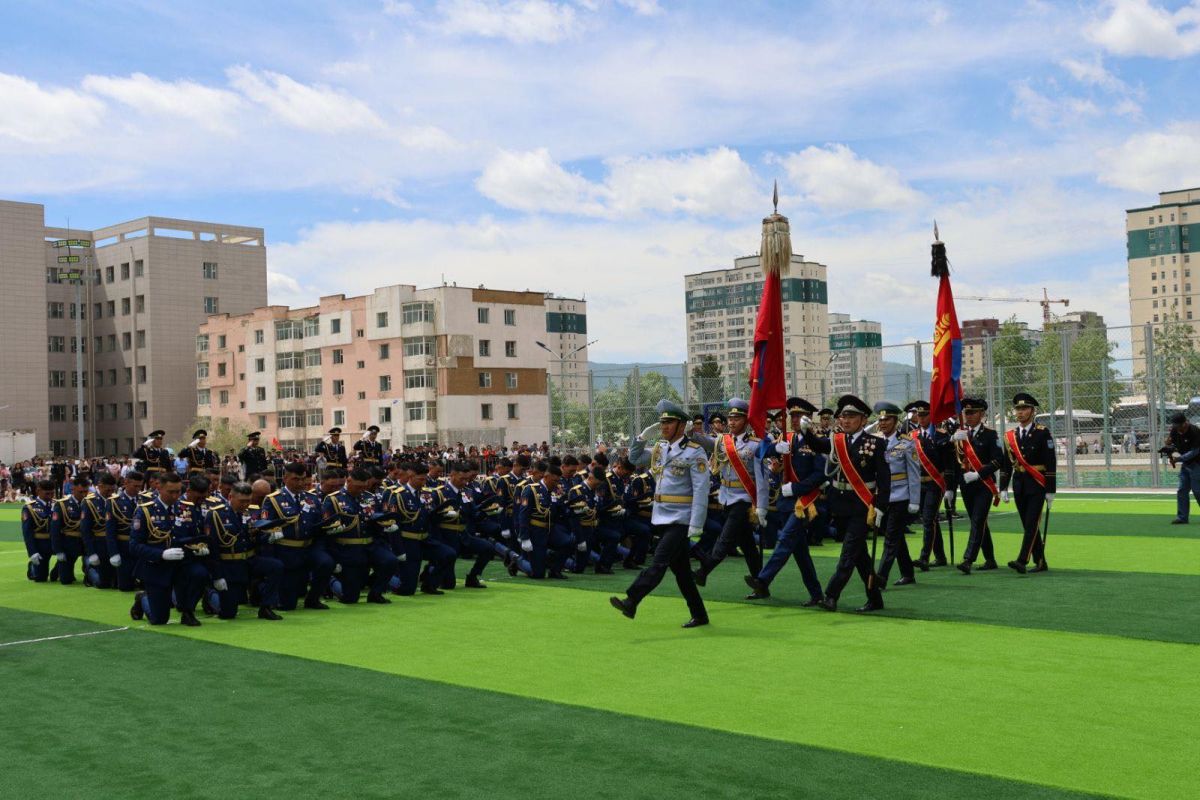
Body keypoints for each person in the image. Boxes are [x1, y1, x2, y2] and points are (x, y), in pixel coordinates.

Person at [609, 400, 710, 628]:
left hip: (681, 518)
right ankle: (700, 614)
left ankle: (632, 599)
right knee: (682, 571)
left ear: (681, 425)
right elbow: (635, 459)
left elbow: (701, 489)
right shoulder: (660, 449)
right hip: (662, 516)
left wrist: (696, 522)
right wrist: (642, 437)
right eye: (662, 422)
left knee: (659, 561)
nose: (664, 426)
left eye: (669, 422)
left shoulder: (695, 452)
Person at [800, 394, 888, 612]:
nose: (846, 421)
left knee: (848, 553)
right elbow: (819, 445)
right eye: (843, 417)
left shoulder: (875, 443)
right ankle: (875, 598)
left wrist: (880, 506)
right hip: (839, 504)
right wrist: (805, 432)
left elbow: (884, 479)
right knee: (860, 556)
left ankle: (831, 595)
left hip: (862, 505)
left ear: (863, 420)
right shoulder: (836, 440)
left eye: (851, 417)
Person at [745, 397, 826, 605]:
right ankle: (817, 594)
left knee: (785, 540)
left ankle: (763, 580)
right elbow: (763, 452)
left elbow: (820, 475)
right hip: (785, 502)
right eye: (794, 415)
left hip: (804, 503)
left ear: (809, 418)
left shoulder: (816, 442)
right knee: (800, 553)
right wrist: (775, 449)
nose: (796, 419)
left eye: (800, 416)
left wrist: (796, 488)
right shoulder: (786, 438)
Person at [692, 398, 768, 587]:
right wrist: (690, 432)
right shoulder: (723, 441)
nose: (732, 422)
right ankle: (761, 583)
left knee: (725, 539)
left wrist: (762, 506)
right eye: (730, 418)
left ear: (746, 421)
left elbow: (762, 478)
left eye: (737, 418)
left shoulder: (755, 445)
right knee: (748, 545)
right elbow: (707, 442)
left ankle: (704, 571)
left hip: (743, 498)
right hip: (726, 497)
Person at [129, 472, 209, 626]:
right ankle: (143, 599)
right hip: (158, 566)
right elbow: (134, 546)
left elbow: (195, 536)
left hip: (182, 563)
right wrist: (161, 554)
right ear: (159, 488)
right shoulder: (146, 511)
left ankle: (188, 611)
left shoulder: (186, 509)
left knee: (200, 574)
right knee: (159, 619)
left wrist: (200, 547)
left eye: (178, 491)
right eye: (171, 492)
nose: (175, 496)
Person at [258, 463, 334, 610]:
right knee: (288, 605)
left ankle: (313, 599)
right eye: (296, 479)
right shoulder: (273, 499)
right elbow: (265, 528)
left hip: (309, 548)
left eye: (303, 479)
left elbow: (319, 525)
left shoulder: (312, 498)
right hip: (287, 551)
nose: (300, 483)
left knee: (326, 562)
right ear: (285, 478)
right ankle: (265, 591)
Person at [205, 481, 284, 620]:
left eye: (248, 501)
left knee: (276, 566)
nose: (245, 505)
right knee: (229, 614)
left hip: (249, 560)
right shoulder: (216, 515)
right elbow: (213, 548)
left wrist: (269, 537)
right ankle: (209, 593)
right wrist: (217, 576)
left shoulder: (252, 512)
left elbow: (255, 537)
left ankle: (266, 607)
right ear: (231, 497)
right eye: (242, 501)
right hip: (230, 564)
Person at [999, 393, 1057, 574]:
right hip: (1019, 484)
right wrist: (1003, 487)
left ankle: (1022, 560)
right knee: (1027, 524)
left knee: (1032, 523)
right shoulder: (1011, 436)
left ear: (1033, 411)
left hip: (1037, 484)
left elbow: (1050, 461)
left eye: (1024, 409)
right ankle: (1040, 562)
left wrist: (1050, 490)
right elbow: (1006, 463)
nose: (1020, 412)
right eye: (1018, 409)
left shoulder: (1042, 432)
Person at [324, 467, 397, 604]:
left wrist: (386, 525)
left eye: (364, 487)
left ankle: (375, 593)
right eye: (358, 487)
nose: (361, 490)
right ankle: (331, 581)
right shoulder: (333, 499)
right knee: (350, 598)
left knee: (390, 561)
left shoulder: (370, 497)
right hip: (348, 548)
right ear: (349, 481)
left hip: (370, 545)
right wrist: (334, 557)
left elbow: (378, 518)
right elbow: (328, 531)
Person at [952, 398, 1008, 574]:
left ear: (982, 414)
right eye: (966, 413)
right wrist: (951, 439)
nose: (968, 416)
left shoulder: (990, 435)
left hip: (984, 484)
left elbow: (999, 460)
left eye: (972, 412)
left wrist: (979, 473)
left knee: (977, 521)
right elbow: (952, 460)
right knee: (980, 522)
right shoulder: (960, 433)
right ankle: (990, 559)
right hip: (966, 485)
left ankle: (968, 559)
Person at [872, 402, 921, 587]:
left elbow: (914, 473)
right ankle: (908, 573)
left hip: (900, 497)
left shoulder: (906, 443)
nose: (883, 423)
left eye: (887, 419)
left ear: (895, 421)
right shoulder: (876, 442)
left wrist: (915, 500)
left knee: (891, 538)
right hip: (882, 498)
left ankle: (881, 577)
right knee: (896, 537)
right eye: (881, 419)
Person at [907, 401, 953, 570]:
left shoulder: (942, 436)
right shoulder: (912, 436)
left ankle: (924, 557)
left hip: (935, 482)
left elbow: (949, 465)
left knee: (928, 519)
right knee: (931, 520)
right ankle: (940, 556)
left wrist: (949, 488)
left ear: (932, 416)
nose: (921, 418)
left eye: (925, 415)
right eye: (919, 415)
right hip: (918, 484)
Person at [105, 470, 144, 591]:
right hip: (124, 547)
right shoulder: (114, 502)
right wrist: (113, 553)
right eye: (135, 486)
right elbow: (110, 530)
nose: (137, 489)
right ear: (126, 483)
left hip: (140, 547)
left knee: (145, 585)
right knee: (125, 587)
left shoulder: (145, 500)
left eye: (140, 486)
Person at [50, 474, 92, 585]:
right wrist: (58, 550)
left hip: (85, 541)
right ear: (73, 488)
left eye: (85, 492)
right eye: (81, 492)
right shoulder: (62, 504)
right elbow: (55, 530)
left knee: (93, 567)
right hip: (69, 542)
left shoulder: (90, 503)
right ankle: (57, 569)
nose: (83, 494)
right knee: (67, 580)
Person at [1161, 412, 1200, 524]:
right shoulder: (1175, 430)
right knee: (1182, 490)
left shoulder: (1195, 431)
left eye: (1178, 426)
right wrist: (1168, 447)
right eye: (1175, 426)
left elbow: (1195, 451)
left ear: (1184, 423)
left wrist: (1178, 459)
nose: (1177, 429)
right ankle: (1182, 517)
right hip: (1186, 464)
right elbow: (1172, 443)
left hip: (1197, 464)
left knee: (1197, 491)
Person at [81, 472, 116, 588]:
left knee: (117, 583)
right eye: (108, 490)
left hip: (115, 544)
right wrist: (91, 553)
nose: (110, 493)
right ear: (100, 486)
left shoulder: (116, 500)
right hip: (99, 544)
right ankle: (89, 568)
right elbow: (85, 530)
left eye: (112, 490)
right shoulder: (89, 502)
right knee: (103, 584)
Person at [22, 479, 56, 582]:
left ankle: (57, 572)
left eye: (52, 493)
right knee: (41, 578)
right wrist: (32, 552)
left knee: (70, 554)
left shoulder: (57, 505)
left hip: (55, 542)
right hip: (40, 544)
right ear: (38, 491)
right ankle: (32, 568)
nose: (50, 496)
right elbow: (27, 531)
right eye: (47, 493)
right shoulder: (29, 507)